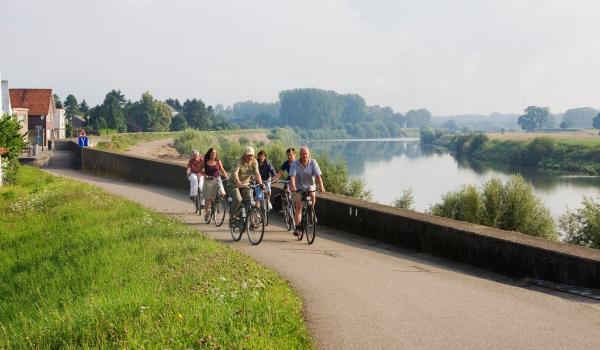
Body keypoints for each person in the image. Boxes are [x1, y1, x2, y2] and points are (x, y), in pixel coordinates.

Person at [289, 146, 325, 236]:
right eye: (302, 154)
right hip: (298, 187)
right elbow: (292, 177)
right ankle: (297, 227)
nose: (304, 156)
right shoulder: (295, 163)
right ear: (300, 155)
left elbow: (318, 176)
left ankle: (311, 210)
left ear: (309, 154)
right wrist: (293, 186)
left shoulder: (313, 162)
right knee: (299, 206)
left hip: (310, 185)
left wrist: (321, 186)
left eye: (306, 154)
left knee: (312, 195)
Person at [231, 146, 265, 222]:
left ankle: (247, 220)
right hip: (234, 183)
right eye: (248, 155)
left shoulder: (254, 162)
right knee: (238, 200)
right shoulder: (238, 161)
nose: (250, 157)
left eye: (252, 155)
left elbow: (257, 174)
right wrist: (238, 182)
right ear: (244, 155)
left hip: (246, 184)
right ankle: (233, 218)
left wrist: (261, 183)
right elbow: (235, 173)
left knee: (250, 200)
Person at [202, 148, 228, 221]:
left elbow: (222, 169)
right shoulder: (205, 161)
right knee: (209, 199)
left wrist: (226, 177)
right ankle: (207, 213)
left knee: (222, 194)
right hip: (209, 180)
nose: (214, 154)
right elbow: (199, 169)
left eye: (215, 153)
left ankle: (217, 205)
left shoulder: (218, 161)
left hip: (217, 179)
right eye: (212, 153)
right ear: (209, 154)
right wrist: (205, 176)